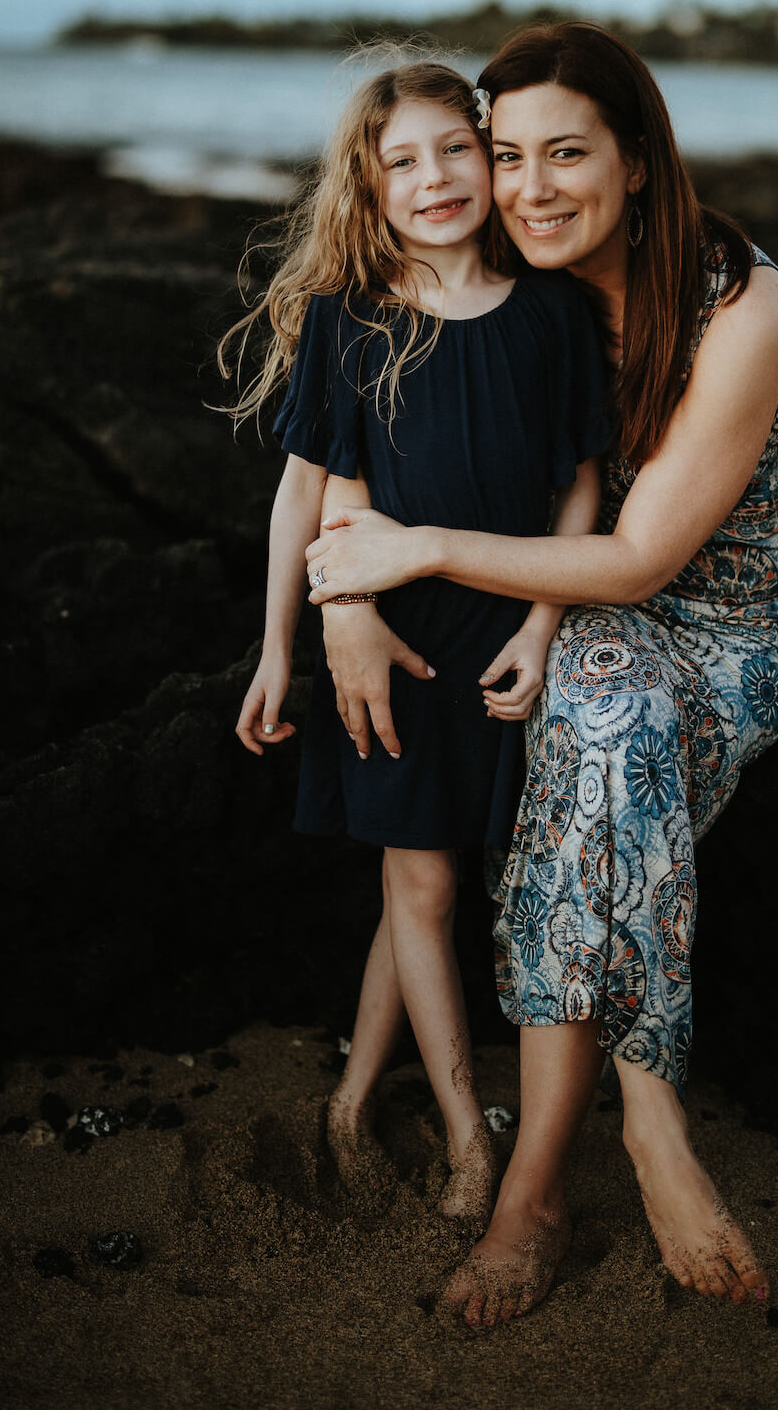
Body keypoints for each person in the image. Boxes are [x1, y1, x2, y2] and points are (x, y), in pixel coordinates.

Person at [306, 24, 778, 1324]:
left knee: (604, 730)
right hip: (562, 597)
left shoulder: (737, 299)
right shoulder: (492, 271)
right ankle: (577, 1161)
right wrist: (339, 597)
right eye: (507, 155)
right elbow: (341, 435)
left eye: (567, 153)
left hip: (735, 616)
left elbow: (645, 555)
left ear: (640, 161)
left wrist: (412, 550)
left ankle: (598, 1151)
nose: (531, 185)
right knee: (599, 734)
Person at [225, 61, 607, 1226]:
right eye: (403, 161)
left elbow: (581, 482)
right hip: (391, 642)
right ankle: (462, 1135)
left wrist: (544, 628)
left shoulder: (552, 313)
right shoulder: (354, 318)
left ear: (490, 164)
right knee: (426, 879)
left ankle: (350, 1096)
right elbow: (317, 497)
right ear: (369, 183)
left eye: (458, 151)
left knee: (429, 877)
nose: (435, 179)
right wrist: (284, 642)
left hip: (501, 635)